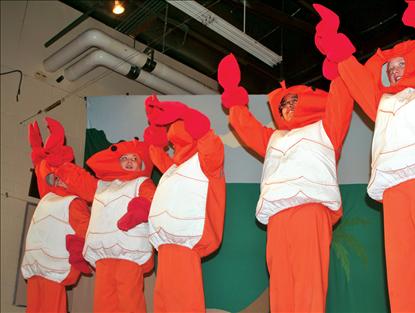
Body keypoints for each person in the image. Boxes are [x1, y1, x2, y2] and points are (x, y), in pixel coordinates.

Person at [312, 1, 415, 311]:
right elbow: (358, 82)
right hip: (395, 189)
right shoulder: (381, 103)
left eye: (401, 64)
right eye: (391, 67)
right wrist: (336, 46)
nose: (396, 71)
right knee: (401, 267)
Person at [217, 53, 353, 312]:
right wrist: (234, 96)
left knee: (308, 285)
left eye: (293, 102)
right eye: (283, 105)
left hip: (310, 210)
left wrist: (339, 69)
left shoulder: (326, 128)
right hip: (277, 218)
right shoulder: (274, 138)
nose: (287, 108)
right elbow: (247, 128)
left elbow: (341, 102)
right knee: (281, 287)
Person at [143, 95, 226, 313]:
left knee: (185, 300)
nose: (175, 145)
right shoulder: (174, 168)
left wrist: (186, 114)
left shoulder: (206, 161)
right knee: (164, 300)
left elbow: (210, 143)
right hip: (166, 245)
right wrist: (154, 129)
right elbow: (159, 157)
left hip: (187, 243)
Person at [55, 137, 156, 313]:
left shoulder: (142, 182)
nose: (129, 161)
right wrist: (61, 166)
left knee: (129, 298)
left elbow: (152, 199)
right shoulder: (101, 185)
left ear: (141, 166)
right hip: (103, 252)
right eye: (125, 158)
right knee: (104, 301)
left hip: (128, 250)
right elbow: (80, 180)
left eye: (134, 159)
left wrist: (140, 209)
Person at [22, 117, 91, 313]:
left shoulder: (74, 203)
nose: (60, 181)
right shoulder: (48, 197)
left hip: (53, 267)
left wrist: (78, 252)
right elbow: (41, 171)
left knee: (52, 308)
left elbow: (84, 229)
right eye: (57, 178)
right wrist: (38, 151)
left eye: (64, 178)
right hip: (36, 266)